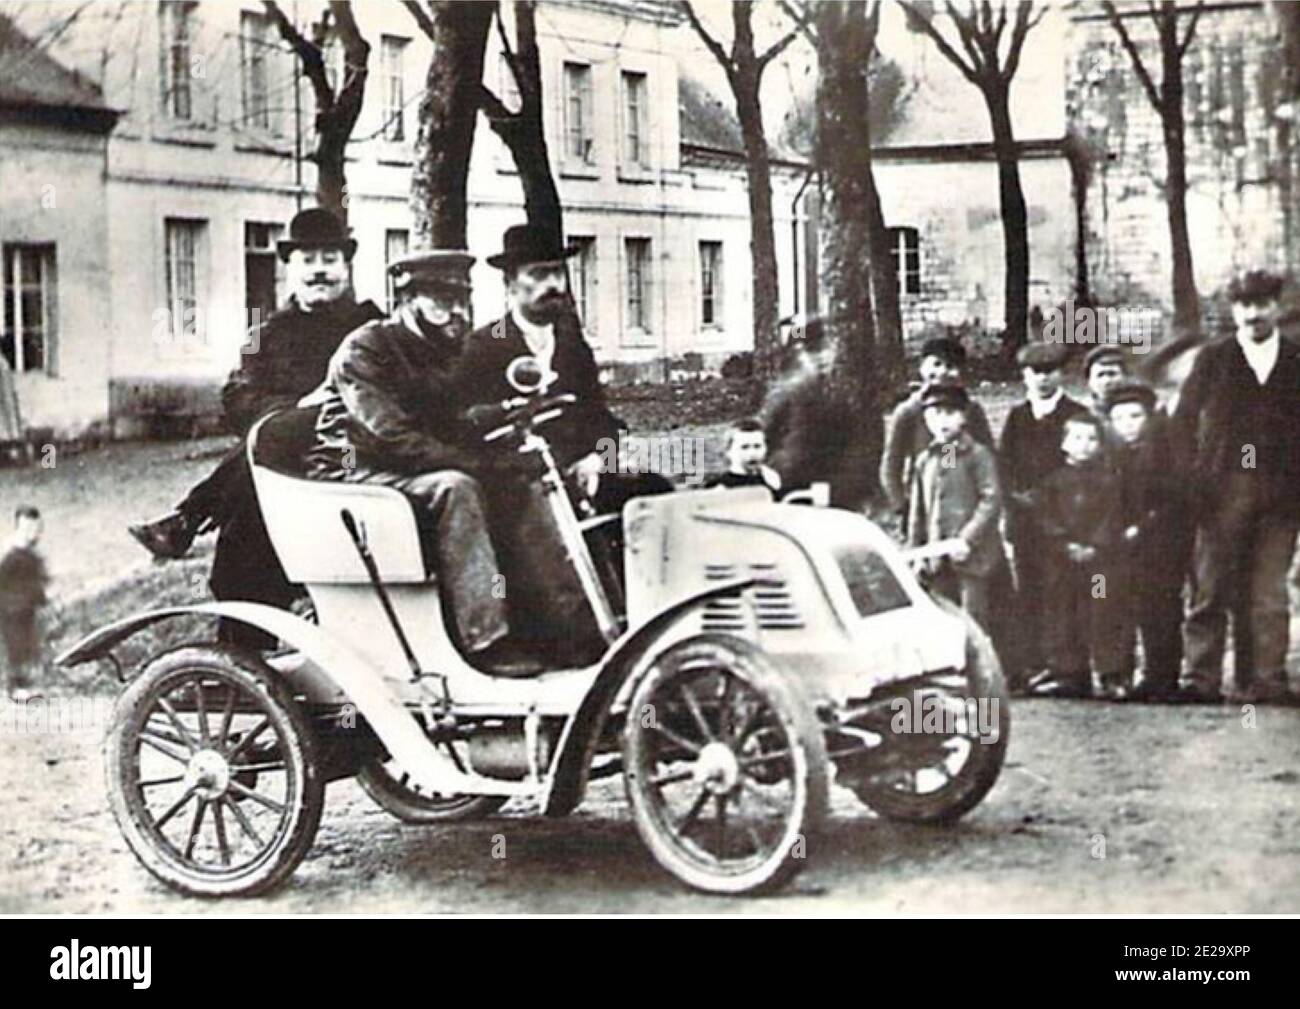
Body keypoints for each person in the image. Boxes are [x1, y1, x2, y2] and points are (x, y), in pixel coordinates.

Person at [307, 249, 539, 673]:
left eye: (460, 300)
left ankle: (542, 622)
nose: (454, 312)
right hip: (354, 474)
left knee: (520, 478)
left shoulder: (442, 348)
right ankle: (485, 639)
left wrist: (492, 419)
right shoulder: (366, 348)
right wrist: (476, 463)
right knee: (458, 487)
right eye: (440, 300)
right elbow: (392, 435)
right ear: (407, 300)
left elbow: (442, 416)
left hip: (400, 467)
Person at [453, 224, 666, 661]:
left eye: (558, 273)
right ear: (511, 284)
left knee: (651, 493)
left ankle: (651, 615)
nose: (554, 284)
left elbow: (601, 416)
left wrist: (600, 457)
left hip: (579, 467)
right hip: (516, 476)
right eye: (539, 274)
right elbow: (467, 424)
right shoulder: (484, 345)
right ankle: (571, 637)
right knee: (539, 514)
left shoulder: (571, 342)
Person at [129, 208, 383, 564]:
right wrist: (288, 413)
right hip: (269, 464)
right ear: (290, 269)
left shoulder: (371, 327)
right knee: (241, 539)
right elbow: (236, 396)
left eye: (330, 259)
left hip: (348, 453)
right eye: (308, 260)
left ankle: (189, 517)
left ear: (346, 267)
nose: (320, 270)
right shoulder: (264, 333)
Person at [1173, 269, 1300, 704]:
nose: (1253, 314)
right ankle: (1200, 679)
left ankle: (1268, 680)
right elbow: (1182, 423)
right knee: (1209, 589)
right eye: (1244, 305)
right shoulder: (1214, 359)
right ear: (1233, 310)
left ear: (1277, 307)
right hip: (1222, 491)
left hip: (1281, 495)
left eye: (1262, 304)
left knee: (1269, 593)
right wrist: (1194, 480)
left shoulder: (1295, 359)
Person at [998, 342, 1088, 685]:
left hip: (1063, 520)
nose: (1043, 380)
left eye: (1050, 372)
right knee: (1030, 589)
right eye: (1035, 373)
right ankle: (1032, 664)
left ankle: (1068, 666)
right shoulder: (1018, 417)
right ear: (1024, 376)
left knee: (1063, 591)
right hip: (1025, 522)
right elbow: (1004, 466)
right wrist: (1013, 506)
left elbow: (1080, 463)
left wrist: (1050, 498)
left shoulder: (1074, 414)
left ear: (1061, 374)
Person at [1028, 413, 1131, 699]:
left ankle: (1111, 674)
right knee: (1064, 613)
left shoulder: (1110, 480)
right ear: (1064, 444)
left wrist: (1096, 546)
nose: (1083, 445)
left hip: (1099, 565)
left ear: (1100, 445)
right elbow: (1045, 517)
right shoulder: (1053, 482)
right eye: (1076, 438)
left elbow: (1114, 516)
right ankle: (1071, 674)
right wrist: (1065, 545)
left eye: (1091, 439)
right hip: (1065, 564)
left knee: (1103, 612)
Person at [1104, 380, 1185, 701]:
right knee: (1124, 606)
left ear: (1149, 418)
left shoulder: (1165, 454)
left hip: (1160, 545)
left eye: (1135, 417)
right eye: (1120, 418)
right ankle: (1126, 674)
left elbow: (1175, 499)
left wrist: (1144, 526)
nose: (1128, 425)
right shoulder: (1109, 458)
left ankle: (1163, 676)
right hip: (1120, 546)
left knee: (1161, 608)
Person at [906, 383, 1003, 632]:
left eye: (950, 413)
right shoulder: (927, 459)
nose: (942, 421)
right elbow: (918, 512)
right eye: (935, 414)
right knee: (943, 615)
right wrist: (916, 552)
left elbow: (990, 499)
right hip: (937, 555)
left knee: (973, 620)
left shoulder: (977, 455)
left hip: (972, 556)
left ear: (964, 417)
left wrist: (967, 539)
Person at [880, 336, 994, 516]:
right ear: (921, 367)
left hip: (965, 500)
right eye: (936, 364)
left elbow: (989, 455)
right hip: (923, 499)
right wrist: (901, 504)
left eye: (950, 367)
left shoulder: (971, 409)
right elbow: (891, 464)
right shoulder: (908, 411)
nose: (942, 372)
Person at [0, 506, 48, 702]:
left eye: (35, 529)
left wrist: (41, 597)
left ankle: (27, 685)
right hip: (11, 608)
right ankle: (15, 687)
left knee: (29, 645)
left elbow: (39, 580)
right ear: (18, 528)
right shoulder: (9, 555)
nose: (32, 534)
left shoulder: (32, 555)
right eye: (27, 529)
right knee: (16, 646)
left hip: (27, 607)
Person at [705, 418, 782, 495]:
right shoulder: (718, 487)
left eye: (757, 446)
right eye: (744, 447)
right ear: (728, 451)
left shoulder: (771, 479)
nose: (752, 453)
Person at [1082, 345, 1129, 422]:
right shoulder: (1081, 415)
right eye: (1100, 375)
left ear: (1125, 377)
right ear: (1089, 381)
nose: (1106, 381)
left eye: (1112, 374)